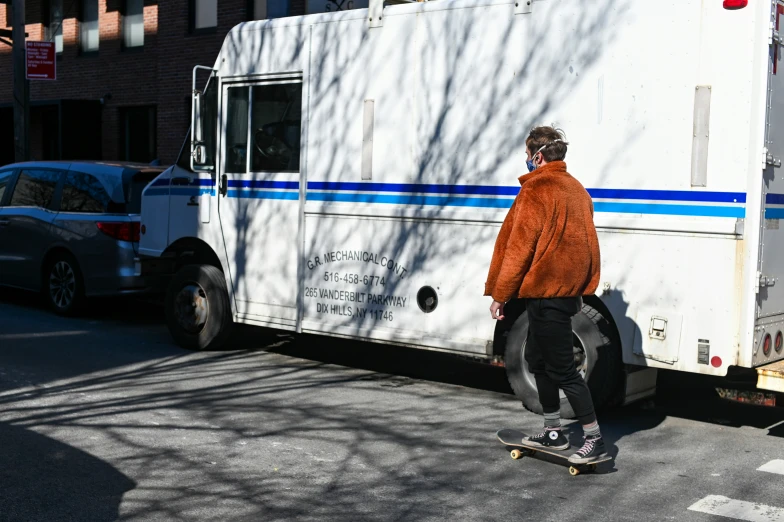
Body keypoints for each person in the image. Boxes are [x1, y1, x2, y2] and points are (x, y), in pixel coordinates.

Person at [484, 126, 604, 464]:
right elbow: (587, 244)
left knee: (564, 370)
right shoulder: (578, 190)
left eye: (527, 154)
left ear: (537, 156)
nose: (526, 161)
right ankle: (553, 431)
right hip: (564, 295)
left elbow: (519, 249)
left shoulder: (536, 189)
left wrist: (500, 294)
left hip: (546, 293)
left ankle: (594, 439)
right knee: (537, 360)